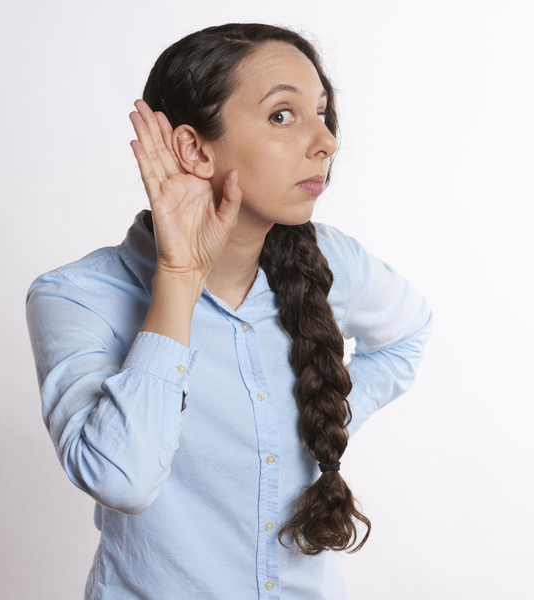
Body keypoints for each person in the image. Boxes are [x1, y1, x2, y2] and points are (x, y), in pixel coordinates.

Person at [26, 23, 433, 600]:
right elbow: (123, 480)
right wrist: (180, 278)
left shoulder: (332, 260)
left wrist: (319, 419)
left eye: (321, 112)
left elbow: (408, 333)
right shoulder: (76, 296)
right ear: (194, 148)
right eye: (282, 116)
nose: (326, 141)